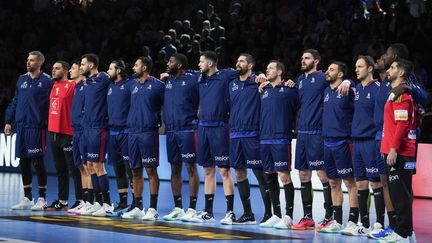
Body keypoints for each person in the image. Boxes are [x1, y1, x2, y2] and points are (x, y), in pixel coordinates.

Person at [287, 49, 349, 231]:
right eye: (302, 57)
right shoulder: (300, 80)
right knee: (303, 175)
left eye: (306, 58)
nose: (302, 60)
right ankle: (308, 217)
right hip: (302, 133)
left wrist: (346, 80)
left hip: (317, 132)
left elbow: (341, 81)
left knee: (323, 175)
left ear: (316, 61)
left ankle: (329, 216)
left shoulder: (323, 77)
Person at [188, 51, 237, 224]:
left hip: (220, 128)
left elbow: (244, 72)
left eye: (201, 62)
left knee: (224, 170)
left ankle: (230, 212)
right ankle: (208, 212)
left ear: (210, 64)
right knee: (208, 170)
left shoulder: (225, 75)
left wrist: (260, 75)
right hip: (203, 128)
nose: (199, 64)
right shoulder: (200, 79)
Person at [5, 51, 52, 210]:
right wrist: (9, 120)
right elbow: (16, 100)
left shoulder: (47, 81)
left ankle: (42, 198)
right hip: (21, 126)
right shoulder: (21, 79)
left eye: (31, 60)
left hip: (37, 127)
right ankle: (27, 197)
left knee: (37, 162)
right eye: (27, 60)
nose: (28, 62)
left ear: (40, 63)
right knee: (23, 161)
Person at [228, 54, 272, 225]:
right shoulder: (232, 84)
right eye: (237, 60)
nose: (237, 63)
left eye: (241, 61)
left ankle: (269, 213)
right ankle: (248, 213)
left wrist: (263, 77)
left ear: (250, 65)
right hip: (235, 134)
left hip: (253, 134)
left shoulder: (258, 82)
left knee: (260, 174)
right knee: (239, 172)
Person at [344, 55, 385, 236]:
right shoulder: (357, 88)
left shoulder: (378, 88)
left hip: (370, 141)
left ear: (370, 69)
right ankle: (365, 223)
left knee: (375, 184)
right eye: (355, 66)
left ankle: (379, 224)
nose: (356, 69)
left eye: (360, 66)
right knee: (360, 183)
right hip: (357, 141)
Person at [121, 56, 164, 221]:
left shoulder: (158, 86)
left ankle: (152, 208)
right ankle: (138, 207)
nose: (133, 68)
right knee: (135, 171)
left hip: (148, 132)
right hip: (132, 132)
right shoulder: (132, 85)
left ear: (145, 68)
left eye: (136, 65)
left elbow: (167, 104)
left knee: (151, 170)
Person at [319, 62, 359, 233]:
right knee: (333, 182)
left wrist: (350, 82)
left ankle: (353, 221)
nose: (327, 72)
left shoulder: (348, 90)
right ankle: (337, 221)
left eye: (331, 70)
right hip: (327, 141)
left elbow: (360, 90)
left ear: (341, 74)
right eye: (328, 69)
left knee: (350, 182)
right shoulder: (327, 91)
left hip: (343, 142)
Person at [160, 54, 200, 222]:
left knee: (191, 168)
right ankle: (178, 208)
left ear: (180, 64)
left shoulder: (193, 78)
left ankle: (192, 208)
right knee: (174, 169)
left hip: (188, 129)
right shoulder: (167, 81)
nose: (167, 64)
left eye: (170, 61)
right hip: (171, 131)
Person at [380, 59, 417, 242]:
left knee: (401, 195)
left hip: (400, 152)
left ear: (401, 73)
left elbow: (402, 124)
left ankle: (402, 234)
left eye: (393, 67)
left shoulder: (402, 95)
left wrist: (393, 149)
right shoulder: (395, 93)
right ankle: (407, 232)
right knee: (401, 193)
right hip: (396, 149)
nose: (389, 69)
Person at [258, 61, 298, 229]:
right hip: (265, 138)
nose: (267, 70)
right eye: (266, 68)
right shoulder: (263, 90)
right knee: (269, 175)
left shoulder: (290, 90)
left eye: (271, 68)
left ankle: (288, 216)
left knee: (284, 176)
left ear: (280, 71)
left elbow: (299, 107)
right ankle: (276, 214)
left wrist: (293, 84)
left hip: (281, 139)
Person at [78, 53, 113, 216]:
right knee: (90, 166)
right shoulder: (87, 82)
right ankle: (98, 202)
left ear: (91, 65)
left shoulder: (103, 78)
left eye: (83, 64)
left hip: (99, 128)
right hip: (87, 128)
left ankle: (107, 204)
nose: (81, 67)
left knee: (99, 166)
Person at [46, 61, 83, 211]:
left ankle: (81, 200)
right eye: (52, 68)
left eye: (57, 68)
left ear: (66, 71)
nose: (53, 71)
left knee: (74, 169)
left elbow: (83, 79)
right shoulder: (53, 85)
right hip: (53, 132)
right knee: (60, 168)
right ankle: (62, 200)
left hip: (68, 132)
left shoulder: (73, 85)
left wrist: (80, 71)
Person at [105, 60, 134, 216]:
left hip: (126, 133)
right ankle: (123, 202)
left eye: (110, 68)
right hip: (112, 133)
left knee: (130, 170)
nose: (108, 70)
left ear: (119, 70)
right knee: (118, 170)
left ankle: (136, 203)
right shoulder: (110, 87)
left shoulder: (130, 85)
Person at [68, 60, 94, 214]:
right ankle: (84, 201)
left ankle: (90, 202)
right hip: (75, 131)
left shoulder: (87, 86)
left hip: (84, 130)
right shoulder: (76, 86)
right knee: (80, 167)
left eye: (73, 68)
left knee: (86, 167)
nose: (70, 70)